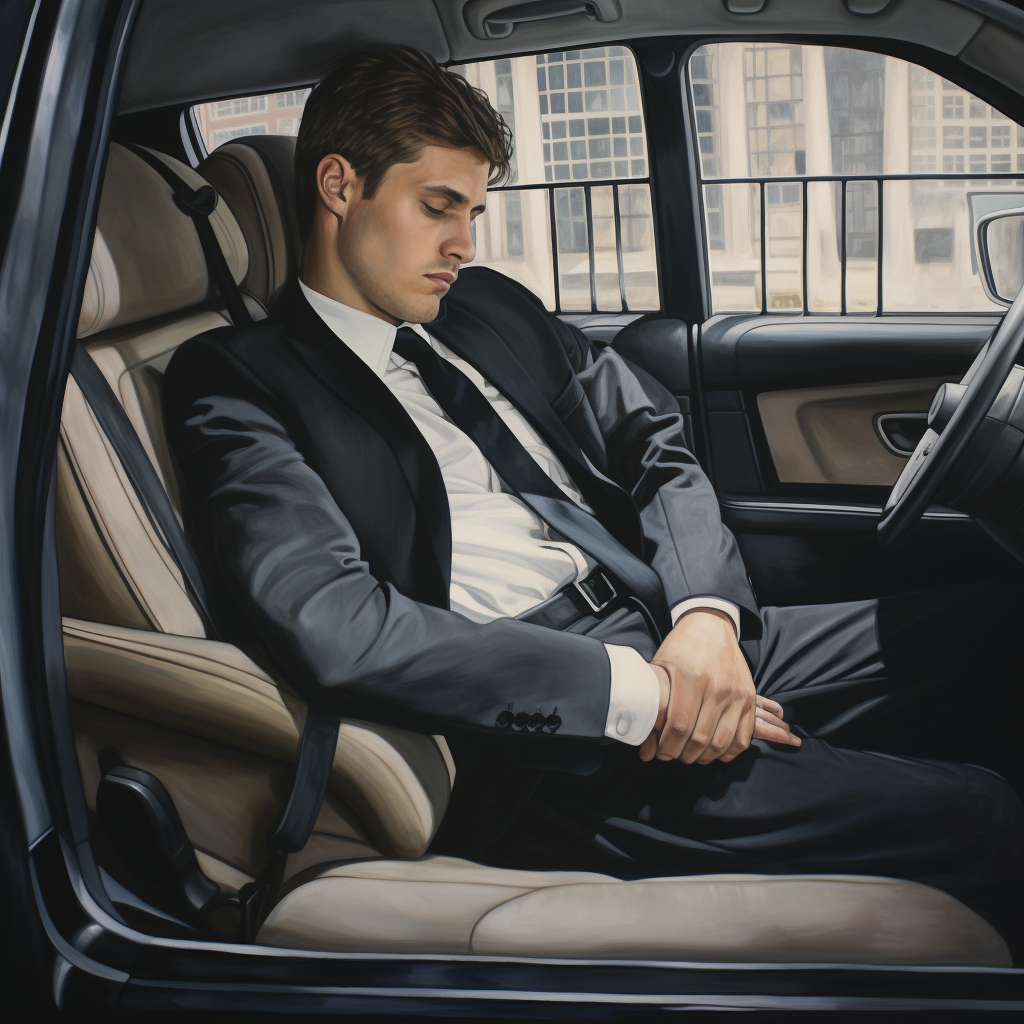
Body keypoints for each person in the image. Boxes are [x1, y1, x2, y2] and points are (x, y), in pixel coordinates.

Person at [163, 47, 1024, 956]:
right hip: (549, 733)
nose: (464, 243)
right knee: (980, 819)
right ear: (339, 185)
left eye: (475, 211)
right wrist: (640, 697)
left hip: (665, 623)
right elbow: (336, 621)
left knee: (1003, 634)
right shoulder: (239, 381)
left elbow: (653, 445)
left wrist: (704, 620)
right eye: (438, 207)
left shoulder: (486, 307)